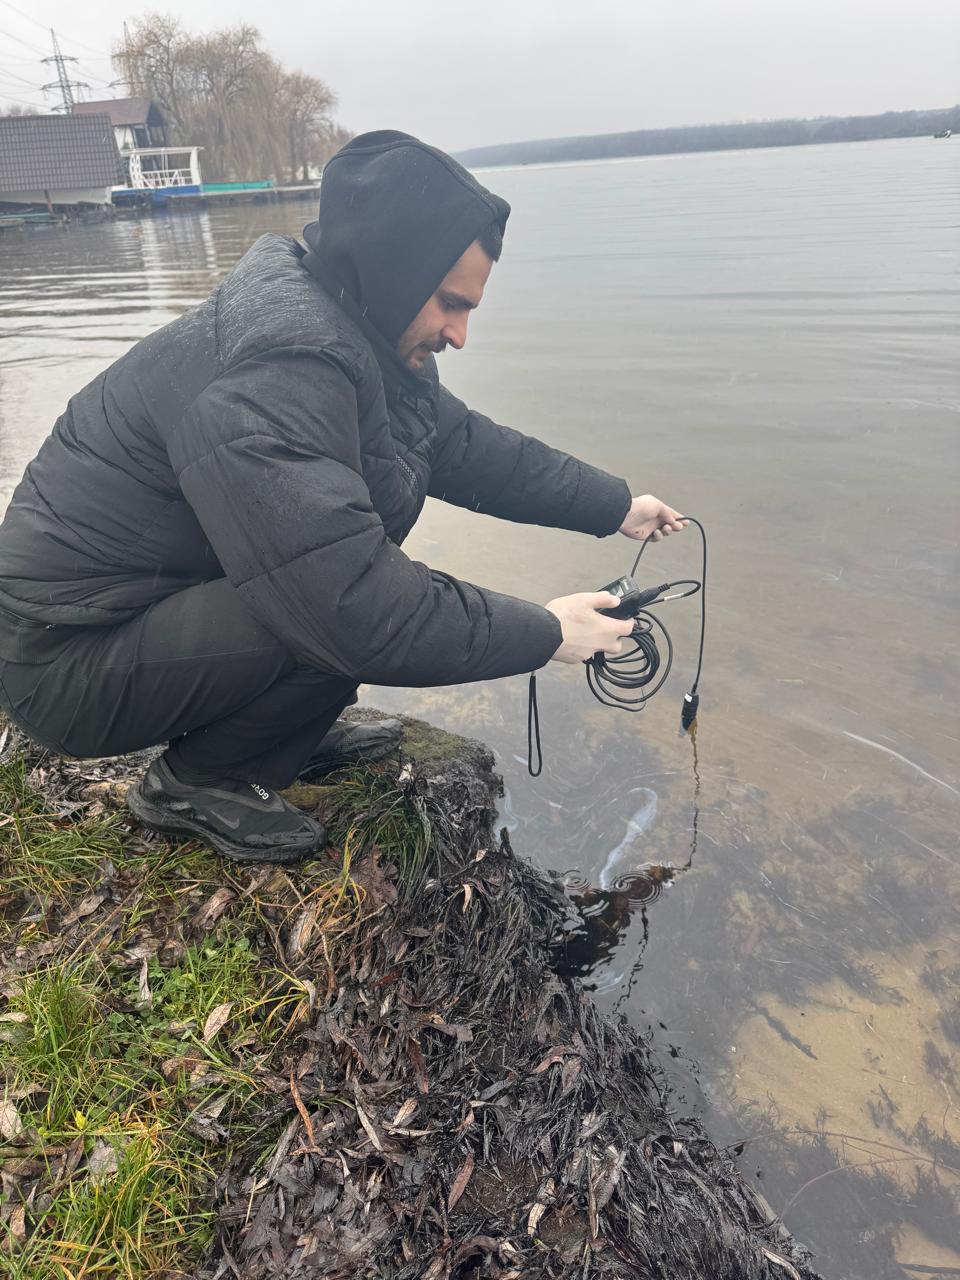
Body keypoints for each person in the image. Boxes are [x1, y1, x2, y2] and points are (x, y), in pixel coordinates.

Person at [0, 130, 685, 864]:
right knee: (334, 600)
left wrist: (613, 507)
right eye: (451, 304)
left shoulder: (354, 335)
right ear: (392, 272)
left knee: (329, 570)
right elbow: (352, 606)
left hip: (142, 613)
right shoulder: (277, 371)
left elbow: (469, 448)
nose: (460, 334)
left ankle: (269, 733)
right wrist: (548, 634)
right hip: (63, 663)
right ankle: (196, 782)